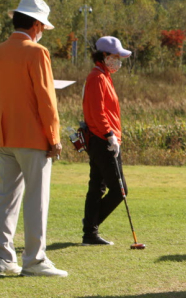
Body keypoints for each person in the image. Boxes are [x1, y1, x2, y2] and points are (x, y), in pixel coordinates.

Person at [0, 0, 68, 277]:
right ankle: (34, 260)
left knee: (6, 198)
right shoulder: (37, 52)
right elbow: (46, 99)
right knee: (36, 199)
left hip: (2, 135)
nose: (43, 31)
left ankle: (3, 258)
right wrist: (54, 136)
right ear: (36, 24)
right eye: (43, 26)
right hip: (32, 136)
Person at [81, 37, 132, 245]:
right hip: (103, 140)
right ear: (104, 55)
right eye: (116, 56)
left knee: (97, 188)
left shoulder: (104, 76)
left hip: (102, 139)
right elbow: (97, 111)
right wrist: (110, 135)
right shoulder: (97, 77)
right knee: (120, 190)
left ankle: (90, 233)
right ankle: (90, 226)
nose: (118, 61)